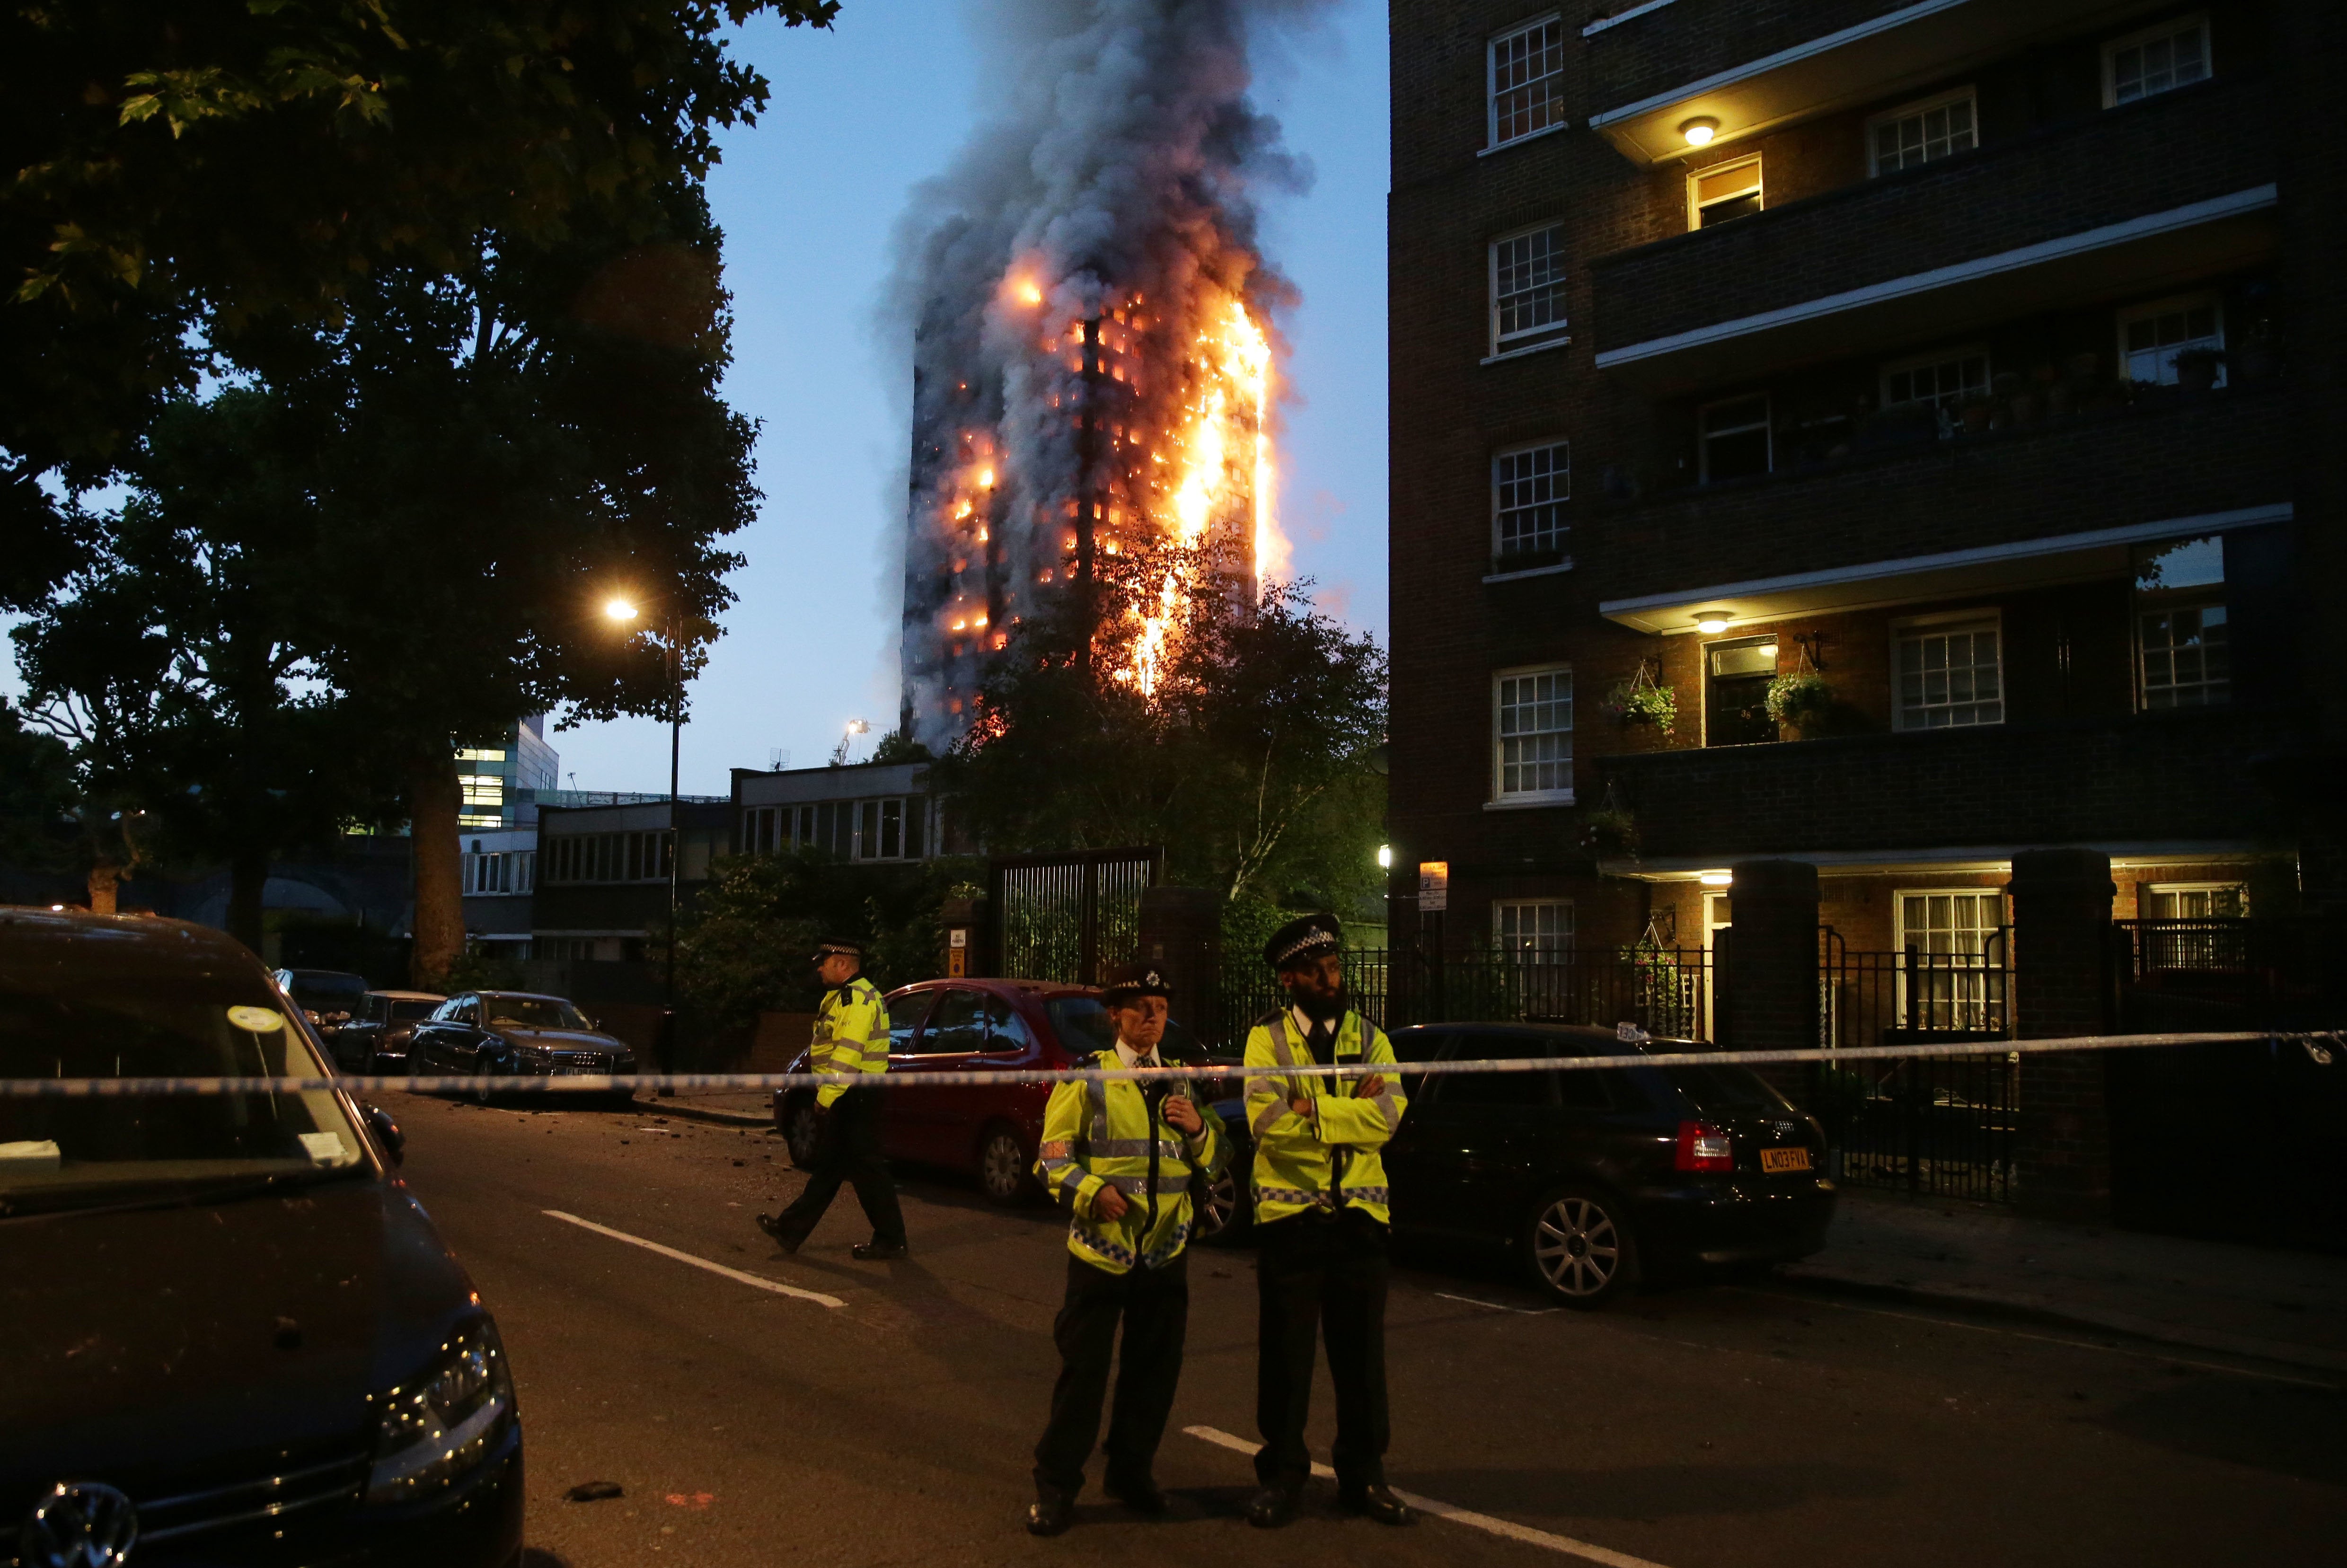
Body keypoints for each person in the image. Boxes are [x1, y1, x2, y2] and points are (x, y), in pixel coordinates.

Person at [1024, 963, 1227, 1537]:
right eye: (1140, 1007)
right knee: (1083, 1375)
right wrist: (1093, 1191)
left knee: (1153, 1373)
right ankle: (1057, 1484)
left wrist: (1197, 1131)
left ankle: (1131, 1473)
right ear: (1115, 1015)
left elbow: (1215, 1162)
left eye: (1161, 1008)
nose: (1152, 1018)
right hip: (1102, 1251)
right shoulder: (1087, 1077)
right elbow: (1050, 1159)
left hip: (1166, 1250)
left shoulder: (1183, 1081)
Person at [1242, 914, 1414, 1529]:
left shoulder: (1372, 1038)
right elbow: (1268, 1125)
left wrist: (1309, 1106)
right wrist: (1345, 1110)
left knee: (1361, 1359)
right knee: (1286, 1359)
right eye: (1315, 969)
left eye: (1334, 966)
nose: (1330, 977)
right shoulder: (1266, 1041)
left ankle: (1364, 1476)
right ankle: (1282, 1476)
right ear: (1290, 978)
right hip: (1291, 1224)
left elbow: (1389, 1117)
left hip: (1360, 1222)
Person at [757, 939, 908, 1260]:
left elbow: (847, 1055)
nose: (819, 968)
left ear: (842, 965)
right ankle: (791, 1229)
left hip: (857, 1093)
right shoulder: (844, 998)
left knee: (865, 1167)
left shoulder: (858, 1000)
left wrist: (825, 1098)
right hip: (853, 1093)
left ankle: (891, 1239)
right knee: (833, 1166)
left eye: (823, 962)